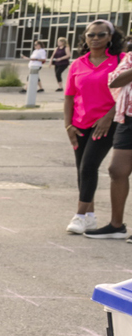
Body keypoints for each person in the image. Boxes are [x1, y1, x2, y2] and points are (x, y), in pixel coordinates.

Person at [65, 21, 127, 236]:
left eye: (101, 34)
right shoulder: (78, 63)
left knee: (89, 166)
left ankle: (80, 216)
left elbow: (124, 93)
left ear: (110, 37)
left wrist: (108, 117)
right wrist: (68, 125)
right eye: (91, 34)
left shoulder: (120, 60)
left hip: (106, 123)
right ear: (85, 37)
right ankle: (90, 217)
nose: (96, 38)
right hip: (79, 123)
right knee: (81, 169)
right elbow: (70, 96)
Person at [103, 49, 132, 240]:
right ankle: (116, 226)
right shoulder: (130, 57)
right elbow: (114, 81)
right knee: (117, 170)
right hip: (127, 119)